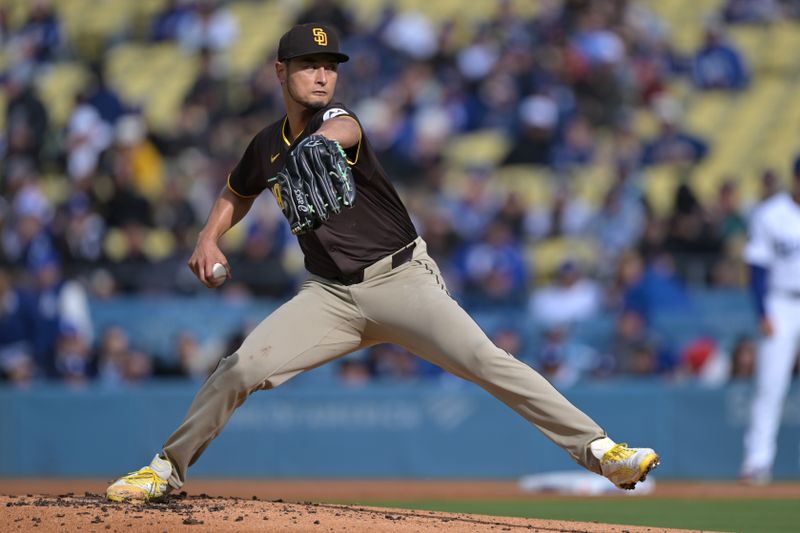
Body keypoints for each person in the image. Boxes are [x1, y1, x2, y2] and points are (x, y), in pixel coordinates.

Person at [106, 23, 659, 502]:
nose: (322, 76)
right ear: (280, 72)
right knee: (241, 368)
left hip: (400, 279)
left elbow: (346, 129)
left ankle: (602, 452)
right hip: (329, 297)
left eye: (330, 66)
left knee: (488, 361)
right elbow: (238, 190)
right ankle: (165, 471)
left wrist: (321, 142)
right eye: (308, 66)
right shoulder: (266, 147)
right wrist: (208, 237)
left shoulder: (337, 120)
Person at [739, 155, 800, 485]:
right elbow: (757, 268)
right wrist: (763, 312)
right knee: (770, 386)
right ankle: (757, 462)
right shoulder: (771, 214)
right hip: (781, 302)